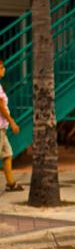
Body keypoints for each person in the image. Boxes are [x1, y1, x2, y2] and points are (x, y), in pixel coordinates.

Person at [0, 59, 24, 192]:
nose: (4, 69)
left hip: (2, 128)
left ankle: (11, 183)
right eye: (1, 67)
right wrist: (12, 122)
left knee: (7, 154)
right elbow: (1, 108)